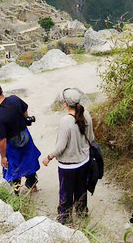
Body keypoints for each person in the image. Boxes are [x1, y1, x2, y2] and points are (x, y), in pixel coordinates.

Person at [42, 87, 95, 224]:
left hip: (68, 166)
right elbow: (91, 138)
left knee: (66, 192)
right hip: (84, 161)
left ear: (65, 103)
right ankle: (82, 213)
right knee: (81, 190)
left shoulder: (66, 121)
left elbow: (60, 147)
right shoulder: (86, 114)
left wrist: (48, 157)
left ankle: (65, 218)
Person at [0, 79, 40, 193]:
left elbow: (2, 140)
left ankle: (16, 192)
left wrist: (3, 157)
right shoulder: (14, 99)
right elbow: (25, 109)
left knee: (14, 169)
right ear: (1, 90)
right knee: (29, 161)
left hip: (12, 144)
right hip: (25, 136)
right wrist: (26, 119)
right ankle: (32, 184)